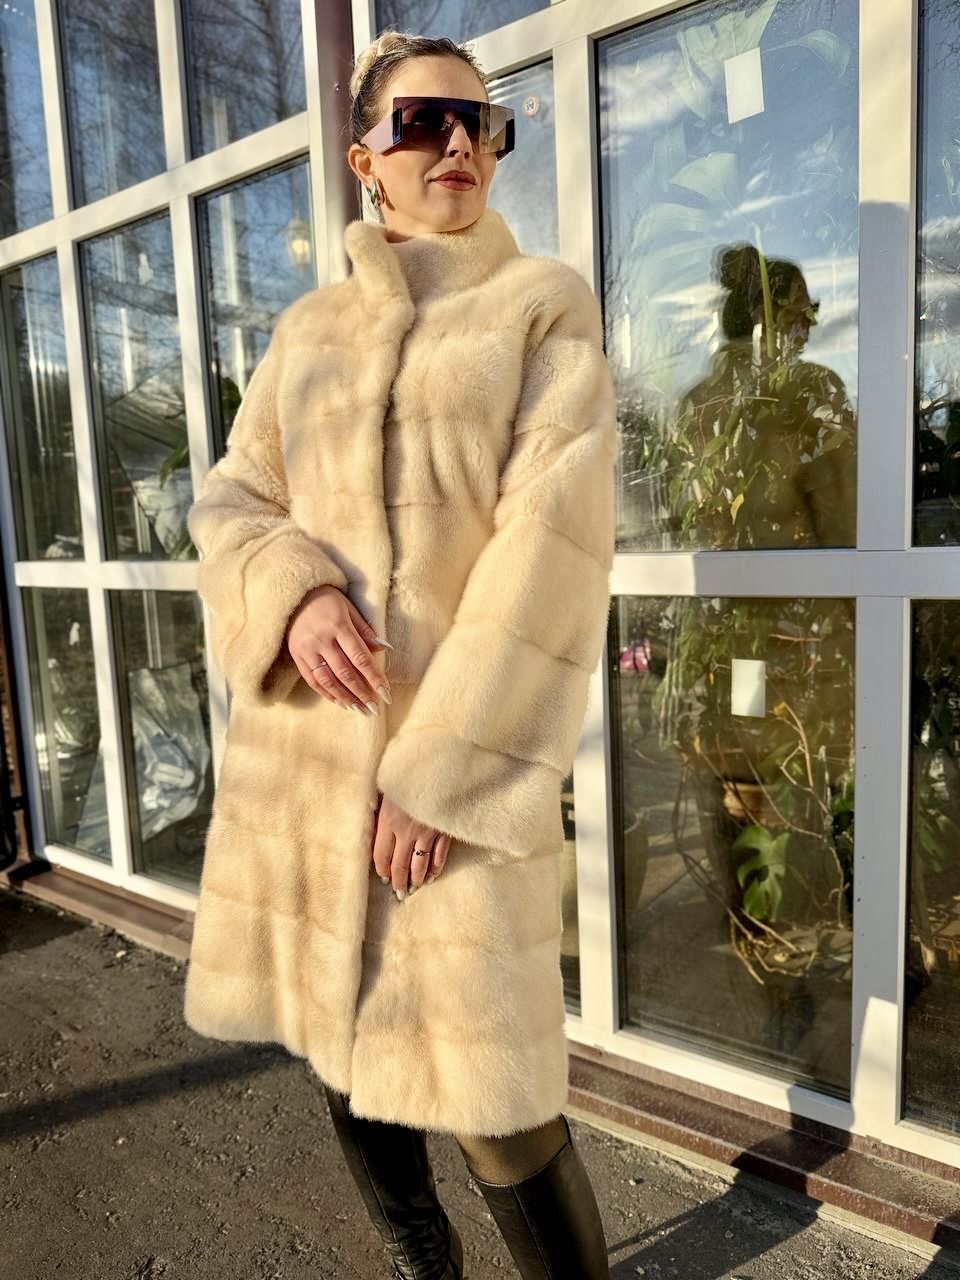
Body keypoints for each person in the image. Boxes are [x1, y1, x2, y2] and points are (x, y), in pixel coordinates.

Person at [182, 28, 616, 1280]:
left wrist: (440, 771)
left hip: (451, 778)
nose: (460, 142)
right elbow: (232, 500)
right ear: (365, 157)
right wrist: (295, 592)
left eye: (483, 123)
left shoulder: (541, 307)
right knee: (345, 1049)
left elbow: (549, 555)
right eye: (424, 119)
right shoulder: (308, 331)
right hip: (308, 772)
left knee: (498, 1101)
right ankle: (424, 1265)